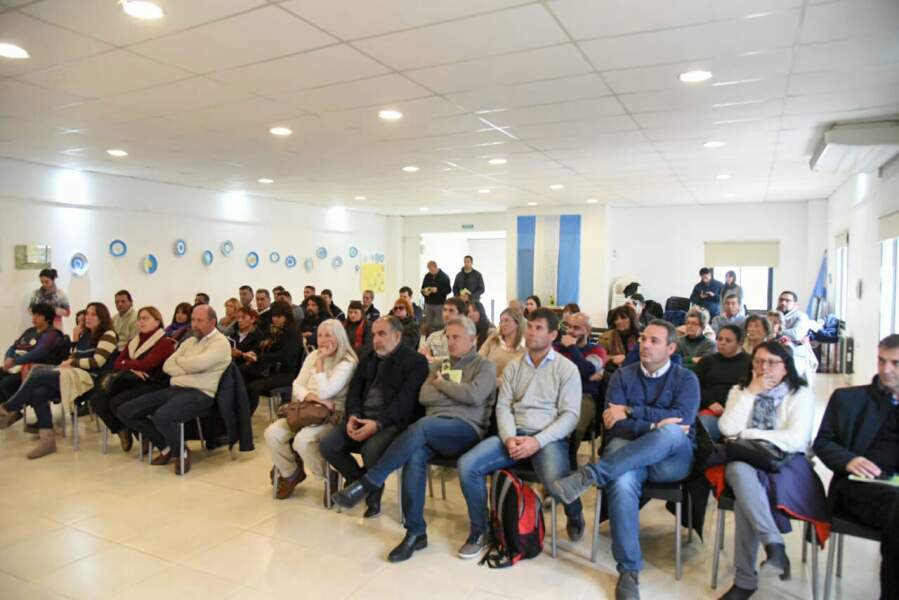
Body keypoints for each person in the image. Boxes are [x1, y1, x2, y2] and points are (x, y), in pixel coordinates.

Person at [554, 320, 699, 600]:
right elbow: (612, 424)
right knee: (621, 480)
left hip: (670, 460)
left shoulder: (685, 379)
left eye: (654, 341)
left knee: (670, 432)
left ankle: (590, 475)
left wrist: (631, 411)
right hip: (628, 455)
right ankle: (629, 571)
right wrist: (652, 426)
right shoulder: (623, 375)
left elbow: (682, 422)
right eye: (643, 338)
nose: (645, 344)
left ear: (671, 348)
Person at [334, 316, 496, 562]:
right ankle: (415, 532)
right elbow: (424, 396)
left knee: (424, 425)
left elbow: (474, 395)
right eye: (448, 337)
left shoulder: (484, 366)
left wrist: (443, 388)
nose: (450, 343)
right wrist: (450, 391)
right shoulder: (439, 366)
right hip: (434, 431)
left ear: (473, 340)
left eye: (456, 338)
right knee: (414, 456)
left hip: (466, 430)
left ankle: (369, 482)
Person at [457, 308, 585, 559]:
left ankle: (574, 510)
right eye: (530, 327)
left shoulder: (566, 369)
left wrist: (536, 441)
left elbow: (570, 416)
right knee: (467, 465)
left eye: (539, 328)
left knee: (555, 484)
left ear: (552, 335)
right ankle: (480, 530)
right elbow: (503, 406)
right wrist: (509, 437)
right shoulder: (515, 367)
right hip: (514, 435)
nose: (531, 332)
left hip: (547, 439)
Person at [716, 342, 817, 600]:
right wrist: (751, 392)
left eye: (772, 362)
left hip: (787, 463)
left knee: (744, 498)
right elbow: (727, 430)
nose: (763, 368)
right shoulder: (741, 390)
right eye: (758, 361)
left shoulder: (800, 393)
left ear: (786, 367)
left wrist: (749, 433)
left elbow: (795, 440)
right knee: (738, 471)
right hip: (746, 459)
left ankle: (745, 581)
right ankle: (773, 544)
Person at [813, 334, 899, 600]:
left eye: (895, 363)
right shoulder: (849, 399)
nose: (886, 370)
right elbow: (823, 442)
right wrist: (848, 460)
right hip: (857, 488)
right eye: (881, 361)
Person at [319, 316, 429, 518]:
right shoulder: (368, 357)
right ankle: (363, 482)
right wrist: (353, 415)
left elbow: (405, 403)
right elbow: (354, 392)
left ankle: (371, 494)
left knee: (371, 450)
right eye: (374, 335)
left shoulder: (415, 361)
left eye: (382, 334)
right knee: (328, 444)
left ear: (397, 335)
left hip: (392, 423)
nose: (376, 340)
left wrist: (378, 424)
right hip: (361, 417)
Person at [117, 305, 231, 475]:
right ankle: (167, 446)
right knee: (126, 410)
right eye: (193, 320)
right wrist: (189, 367)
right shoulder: (189, 341)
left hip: (201, 393)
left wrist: (184, 363)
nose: (194, 324)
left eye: (199, 321)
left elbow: (198, 364)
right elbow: (168, 366)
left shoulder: (220, 343)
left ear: (212, 322)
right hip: (177, 388)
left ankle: (181, 453)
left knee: (162, 416)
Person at [0, 302, 117, 459]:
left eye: (93, 314)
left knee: (38, 373)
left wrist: (71, 363)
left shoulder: (108, 334)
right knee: (38, 393)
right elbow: (73, 356)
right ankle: (47, 442)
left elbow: (97, 362)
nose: (88, 317)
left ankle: (8, 408)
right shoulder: (85, 335)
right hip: (75, 375)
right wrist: (75, 344)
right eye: (87, 314)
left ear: (102, 317)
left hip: (91, 379)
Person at [264, 319, 358, 501]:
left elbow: (327, 390)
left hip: (332, 414)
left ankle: (327, 476)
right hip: (306, 409)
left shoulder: (347, 361)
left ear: (339, 337)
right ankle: (291, 473)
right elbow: (297, 385)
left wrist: (321, 362)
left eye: (328, 335)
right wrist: (313, 397)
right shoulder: (313, 355)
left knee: (303, 441)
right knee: (272, 433)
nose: (322, 340)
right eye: (320, 335)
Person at [89, 306, 175, 451]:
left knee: (117, 402)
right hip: (133, 381)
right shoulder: (135, 341)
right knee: (97, 398)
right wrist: (132, 367)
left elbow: (147, 365)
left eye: (146, 318)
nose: (141, 321)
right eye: (139, 318)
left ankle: (148, 435)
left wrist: (127, 364)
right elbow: (117, 363)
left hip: (154, 383)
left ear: (157, 321)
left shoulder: (164, 342)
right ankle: (122, 429)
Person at [555, 311, 608, 467]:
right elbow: (552, 373)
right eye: (569, 327)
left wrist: (572, 348)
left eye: (576, 328)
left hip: (584, 397)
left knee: (574, 420)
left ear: (588, 331)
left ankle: (569, 463)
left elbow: (586, 370)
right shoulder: (557, 348)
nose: (571, 331)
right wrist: (582, 375)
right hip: (557, 394)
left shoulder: (598, 351)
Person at [245, 300, 302, 415]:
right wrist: (253, 352)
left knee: (253, 387)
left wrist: (259, 358)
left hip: (287, 373)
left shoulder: (293, 332)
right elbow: (261, 343)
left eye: (278, 316)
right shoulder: (274, 329)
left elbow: (285, 356)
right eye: (273, 316)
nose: (275, 319)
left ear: (286, 316)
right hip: (272, 369)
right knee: (242, 375)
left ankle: (244, 419)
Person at [0, 303, 66, 403]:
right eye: (34, 314)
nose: (34, 318)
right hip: (19, 366)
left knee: (7, 382)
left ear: (47, 318)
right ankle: (4, 411)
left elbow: (39, 352)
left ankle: (14, 410)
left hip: (38, 370)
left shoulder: (53, 334)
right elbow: (13, 347)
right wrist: (8, 359)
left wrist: (15, 361)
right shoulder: (29, 331)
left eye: (39, 315)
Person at [695, 325, 751, 441]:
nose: (722, 343)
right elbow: (694, 387)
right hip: (711, 410)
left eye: (728, 340)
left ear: (740, 343)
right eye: (719, 339)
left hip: (740, 413)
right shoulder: (707, 361)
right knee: (704, 427)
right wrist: (710, 402)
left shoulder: (751, 362)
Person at [478, 307, 526, 387]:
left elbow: (510, 376)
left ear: (517, 323)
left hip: (503, 389)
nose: (502, 324)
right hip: (483, 382)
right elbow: (479, 358)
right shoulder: (493, 339)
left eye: (506, 320)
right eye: (501, 321)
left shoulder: (523, 350)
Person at [420, 297, 466, 364]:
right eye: (444, 310)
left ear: (461, 315)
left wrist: (432, 359)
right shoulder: (434, 336)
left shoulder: (466, 337)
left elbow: (458, 360)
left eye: (451, 311)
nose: (446, 314)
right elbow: (422, 355)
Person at [600, 304, 641, 370]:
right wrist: (613, 357)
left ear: (632, 319)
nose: (618, 321)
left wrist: (626, 358)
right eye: (616, 319)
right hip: (613, 372)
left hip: (636, 372)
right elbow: (599, 357)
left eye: (623, 318)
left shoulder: (641, 337)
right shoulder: (606, 337)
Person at [228, 306, 264, 378]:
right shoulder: (233, 336)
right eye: (238, 318)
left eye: (243, 317)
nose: (239, 320)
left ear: (252, 319)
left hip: (248, 371)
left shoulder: (259, 336)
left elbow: (256, 356)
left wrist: (241, 354)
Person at [421, 260, 452, 336]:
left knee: (439, 325)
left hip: (439, 304)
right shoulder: (427, 276)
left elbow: (448, 290)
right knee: (429, 325)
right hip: (428, 303)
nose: (430, 271)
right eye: (429, 269)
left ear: (436, 267)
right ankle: (428, 342)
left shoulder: (444, 277)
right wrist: (425, 292)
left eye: (431, 269)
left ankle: (439, 341)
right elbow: (422, 288)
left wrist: (438, 290)